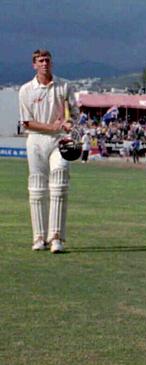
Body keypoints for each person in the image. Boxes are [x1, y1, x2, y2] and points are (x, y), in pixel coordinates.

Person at [18, 49, 78, 253]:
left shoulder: (64, 86)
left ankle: (56, 238)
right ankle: (39, 237)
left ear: (52, 63)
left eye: (48, 60)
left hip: (60, 141)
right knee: (37, 189)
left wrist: (69, 122)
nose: (45, 64)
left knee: (60, 184)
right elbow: (27, 123)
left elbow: (74, 114)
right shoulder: (26, 90)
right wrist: (52, 127)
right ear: (34, 64)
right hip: (36, 141)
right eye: (41, 61)